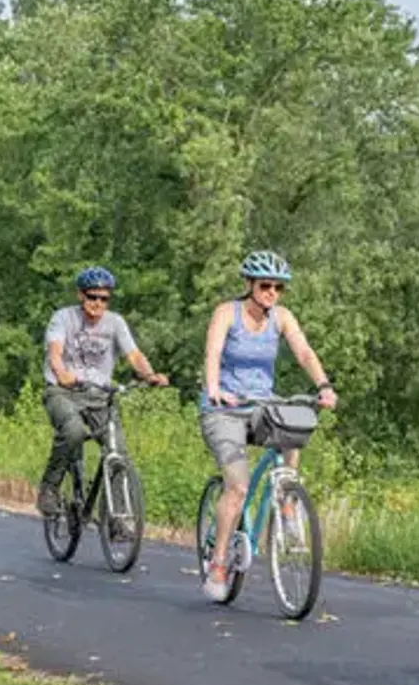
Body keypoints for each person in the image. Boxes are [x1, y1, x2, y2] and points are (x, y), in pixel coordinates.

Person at [197, 250, 338, 602]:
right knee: (239, 487)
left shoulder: (282, 318)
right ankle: (217, 565)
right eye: (265, 286)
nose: (271, 293)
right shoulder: (226, 313)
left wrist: (323, 386)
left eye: (278, 287)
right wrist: (214, 388)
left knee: (293, 420)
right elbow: (212, 354)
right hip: (224, 408)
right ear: (249, 285)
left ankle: (287, 503)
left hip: (261, 402)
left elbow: (304, 353)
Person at [38, 266, 170, 516]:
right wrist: (62, 374)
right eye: (92, 296)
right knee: (73, 431)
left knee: (118, 452)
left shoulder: (115, 323)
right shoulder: (63, 318)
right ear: (81, 295)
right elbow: (54, 352)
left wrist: (150, 375)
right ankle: (49, 488)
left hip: (99, 395)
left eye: (104, 298)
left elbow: (134, 355)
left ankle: (119, 520)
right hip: (63, 391)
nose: (98, 303)